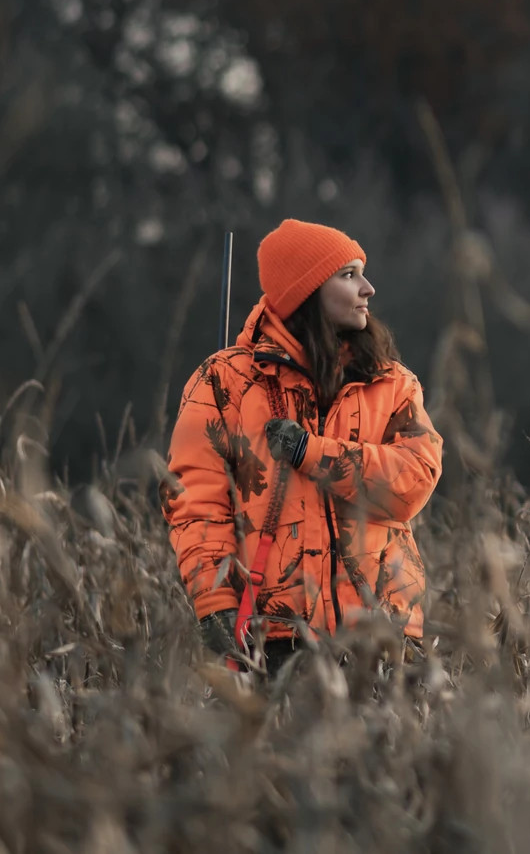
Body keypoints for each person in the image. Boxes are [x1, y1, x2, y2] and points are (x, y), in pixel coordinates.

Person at [164, 219, 442, 673]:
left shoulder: (391, 382)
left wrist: (311, 453)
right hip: (277, 639)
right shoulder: (224, 381)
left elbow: (413, 483)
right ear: (306, 291)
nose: (368, 288)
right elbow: (194, 501)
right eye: (349, 274)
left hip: (384, 638)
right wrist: (214, 603)